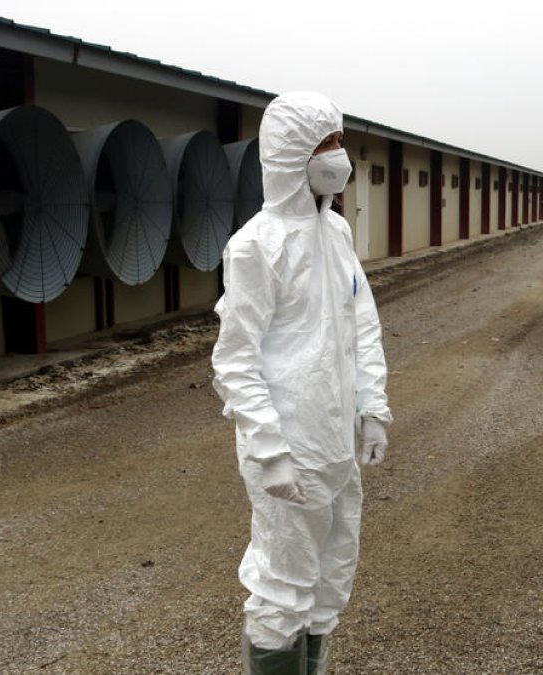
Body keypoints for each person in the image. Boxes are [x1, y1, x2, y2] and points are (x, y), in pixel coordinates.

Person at [211, 91, 393, 675]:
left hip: (336, 441)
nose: (339, 156)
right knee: (283, 583)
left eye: (340, 142)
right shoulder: (254, 247)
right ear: (291, 156)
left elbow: (361, 324)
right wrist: (270, 451)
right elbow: (235, 359)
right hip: (289, 445)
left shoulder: (336, 233)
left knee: (332, 573)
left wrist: (373, 408)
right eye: (326, 144)